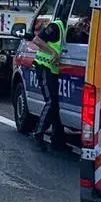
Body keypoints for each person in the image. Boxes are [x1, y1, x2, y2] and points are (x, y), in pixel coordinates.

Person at [30, 15, 66, 150]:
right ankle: (38, 133)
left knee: (55, 103)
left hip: (53, 70)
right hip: (44, 67)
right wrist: (53, 53)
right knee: (51, 101)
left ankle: (58, 139)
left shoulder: (66, 28)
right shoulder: (56, 26)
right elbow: (36, 40)